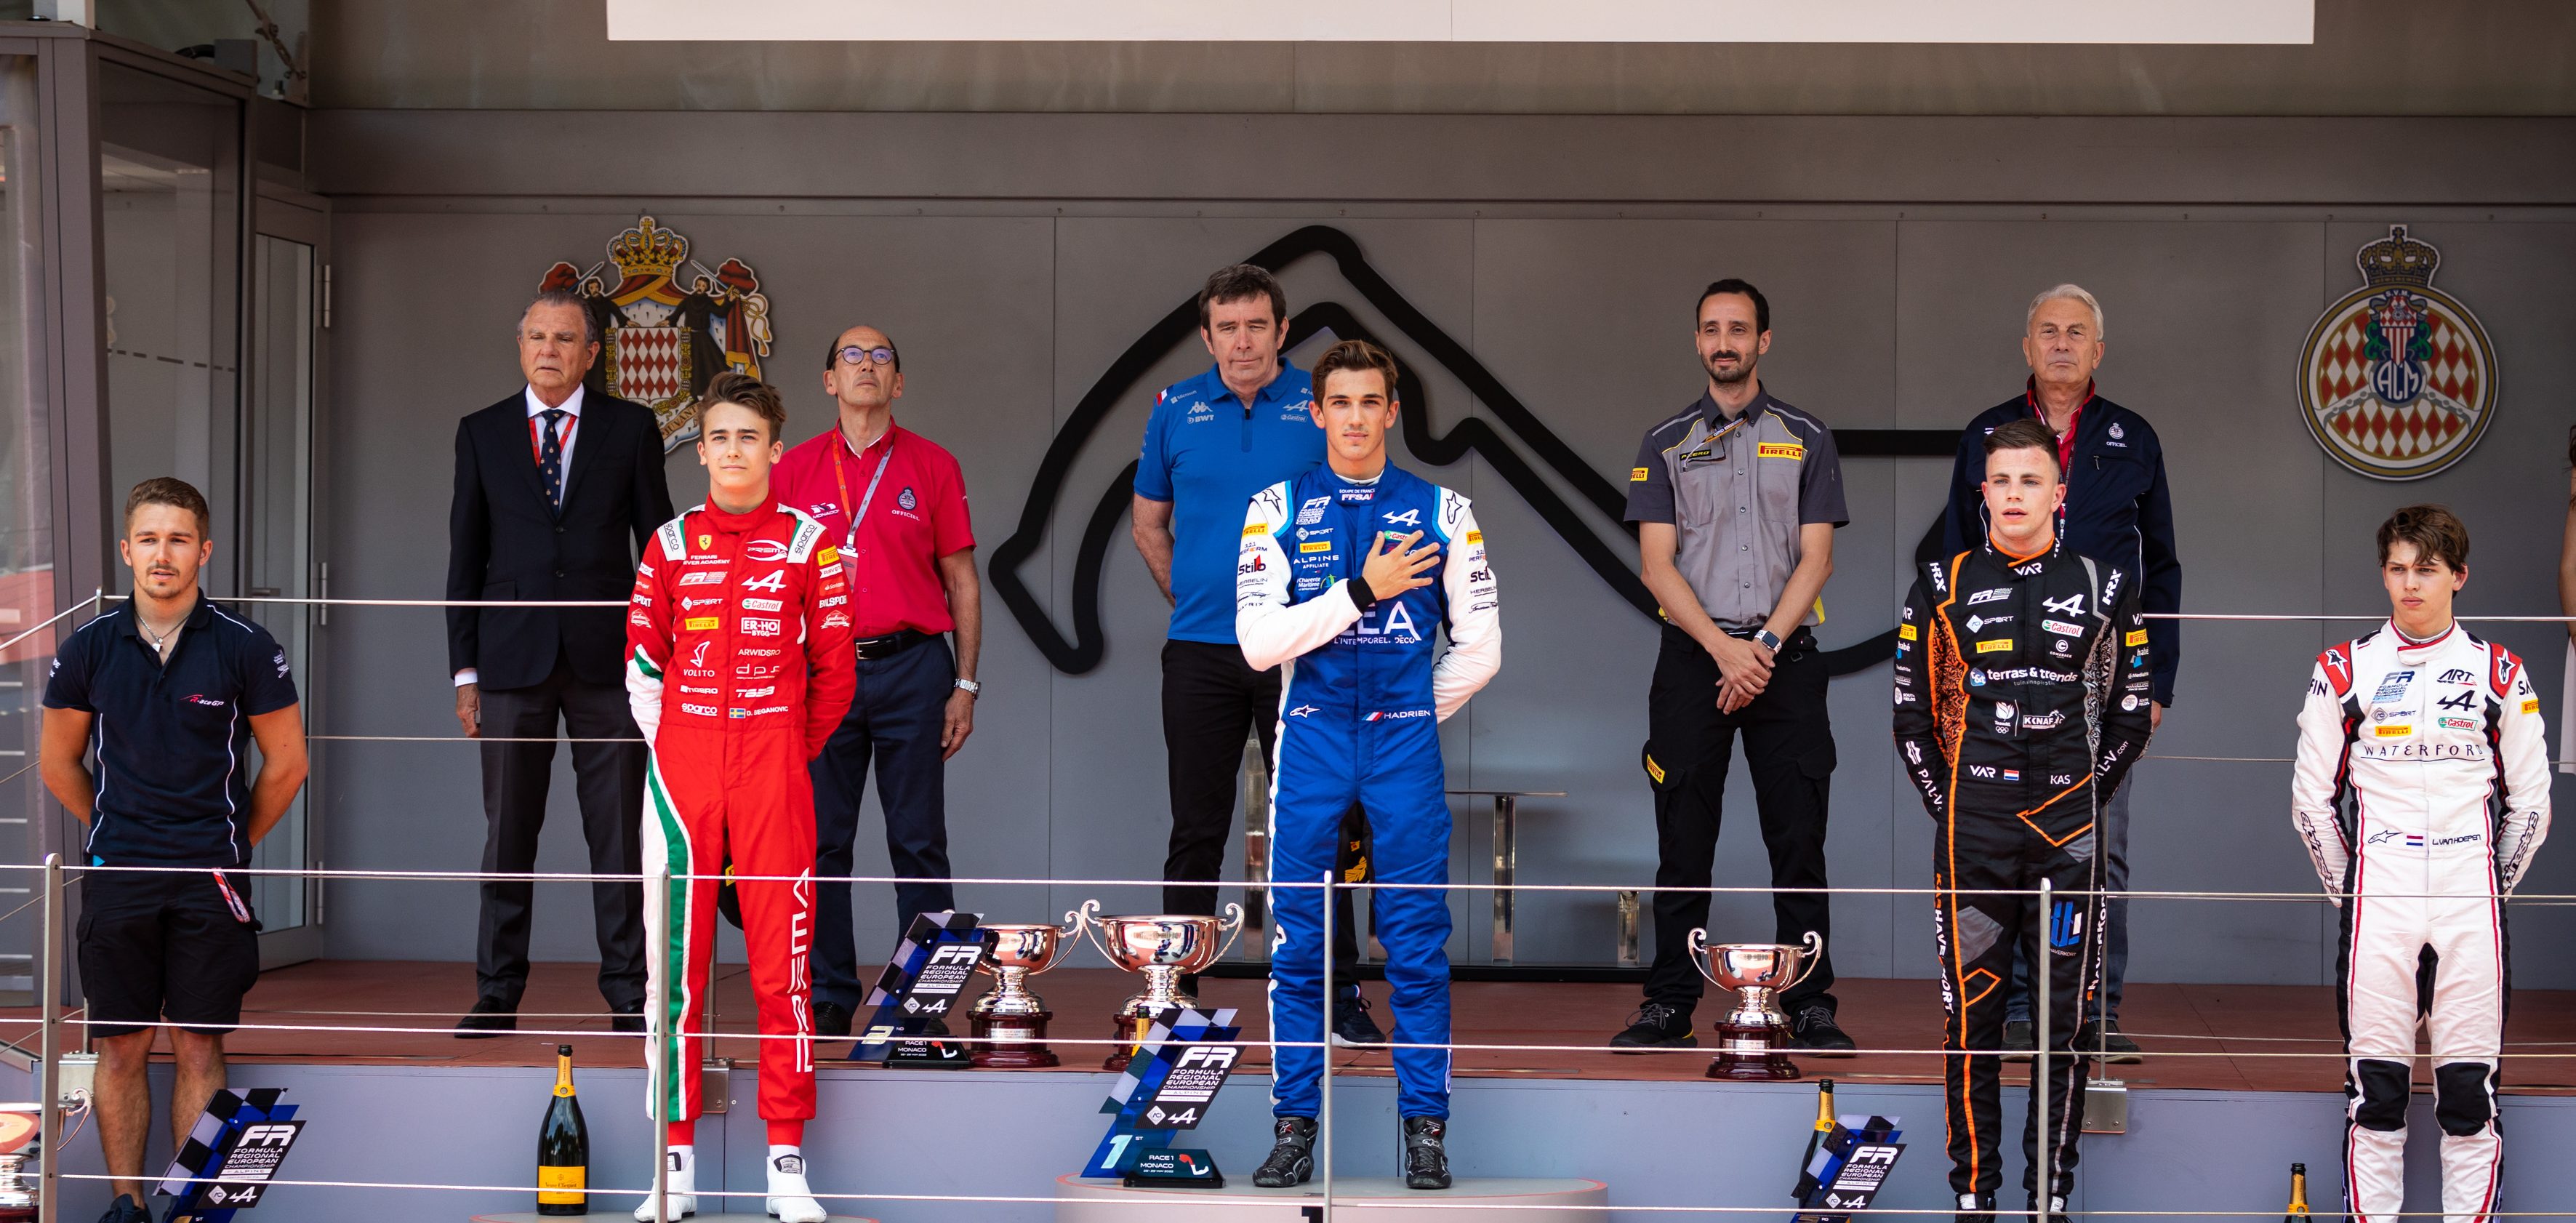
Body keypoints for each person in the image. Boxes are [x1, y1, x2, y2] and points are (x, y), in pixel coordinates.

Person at [1237, 340, 1501, 1192]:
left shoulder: (1447, 509)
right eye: (1339, 402)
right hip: (1309, 734)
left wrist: (1416, 710)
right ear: (1316, 413)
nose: (1354, 417)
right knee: (1298, 943)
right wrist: (1361, 589)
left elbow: (1484, 648)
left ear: (1393, 411)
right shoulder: (1273, 505)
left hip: (1401, 738)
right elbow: (1256, 643)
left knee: (1418, 940)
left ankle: (1426, 1129)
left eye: (1369, 402)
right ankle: (1294, 1127)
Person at [1894, 418, 2154, 1223]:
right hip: (1972, 837)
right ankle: (1975, 1197)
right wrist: (1954, 811)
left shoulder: (2108, 586)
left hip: (2069, 841)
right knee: (1972, 1018)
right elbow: (1912, 721)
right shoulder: (1940, 583)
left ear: (2058, 493)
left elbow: (2132, 714)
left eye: (2030, 481)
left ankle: (2051, 1195)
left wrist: (2085, 800)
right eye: (2001, 481)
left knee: (2063, 1023)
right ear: (1983, 493)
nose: (2014, 495)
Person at [39, 478, 308, 1223]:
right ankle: (126, 1205)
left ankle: (188, 1211)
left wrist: (230, 841)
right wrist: (113, 827)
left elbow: (288, 764)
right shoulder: (88, 647)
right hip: (119, 872)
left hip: (207, 875)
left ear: (204, 550)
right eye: (150, 538)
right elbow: (58, 760)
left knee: (197, 1041)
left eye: (179, 538)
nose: (164, 553)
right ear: (127, 550)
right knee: (121, 1046)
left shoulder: (246, 645)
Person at [625, 373, 855, 1223]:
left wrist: (784, 752)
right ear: (703, 449)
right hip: (682, 767)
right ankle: (672, 1160)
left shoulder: (810, 543)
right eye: (717, 436)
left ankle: (786, 1161)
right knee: (671, 969)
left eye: (746, 436)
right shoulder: (669, 543)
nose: (730, 451)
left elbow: (836, 671)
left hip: (773, 767)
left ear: (775, 449)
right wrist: (679, 745)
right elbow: (642, 663)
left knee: (781, 966)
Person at [1131, 265, 1379, 1043]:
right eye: (1227, 327)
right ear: (1208, 336)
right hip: (1201, 652)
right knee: (1195, 827)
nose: (1243, 340)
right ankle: (1178, 995)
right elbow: (1148, 524)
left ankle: (1336, 999)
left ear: (1281, 330)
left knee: (1316, 824)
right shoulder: (1174, 410)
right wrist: (1207, 602)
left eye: (1257, 326)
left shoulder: (1319, 404)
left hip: (1305, 653)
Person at [1610, 278, 1854, 1056]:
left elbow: (1816, 559)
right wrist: (1725, 650)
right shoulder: (1665, 441)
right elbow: (1656, 564)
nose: (1725, 341)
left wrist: (1765, 651)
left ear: (1764, 341)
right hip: (1694, 661)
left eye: (1739, 329)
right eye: (1712, 328)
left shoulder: (1808, 434)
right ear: (1697, 341)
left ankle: (1811, 1001)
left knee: (1799, 836)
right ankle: (1669, 1003)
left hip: (1786, 657)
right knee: (1682, 835)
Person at [2290, 505, 2549, 1223]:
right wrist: (2353, 886)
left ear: (2458, 576)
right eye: (2398, 568)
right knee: (2376, 1095)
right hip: (2382, 893)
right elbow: (2312, 799)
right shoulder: (2343, 668)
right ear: (2384, 573)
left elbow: (2532, 800)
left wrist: (2490, 881)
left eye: (2426, 569)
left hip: (2470, 893)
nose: (2410, 584)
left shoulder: (2501, 670)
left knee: (2470, 1096)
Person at [1941, 284, 2178, 1063]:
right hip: (1999, 677)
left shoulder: (2134, 437)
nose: (2063, 343)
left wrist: (2157, 686)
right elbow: (1948, 560)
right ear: (2027, 345)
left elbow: (2163, 570)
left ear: (2099, 350)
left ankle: (2094, 1014)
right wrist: (1950, 680)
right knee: (2002, 842)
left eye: (2078, 332)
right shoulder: (1986, 433)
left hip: (2102, 678)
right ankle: (2012, 1012)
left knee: (2099, 847)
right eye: (2049, 330)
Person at [446, 288, 673, 1035]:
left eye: (565, 338)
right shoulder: (480, 431)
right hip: (510, 661)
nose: (549, 349)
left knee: (618, 834)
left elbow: (658, 550)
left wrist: (658, 660)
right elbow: (466, 558)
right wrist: (465, 671)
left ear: (591, 353)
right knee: (508, 831)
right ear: (521, 347)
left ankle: (629, 991)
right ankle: (497, 991)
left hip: (610, 663)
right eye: (537, 336)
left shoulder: (631, 427)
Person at [770, 324, 979, 1038]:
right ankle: (829, 992)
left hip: (915, 667)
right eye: (851, 356)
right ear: (829, 381)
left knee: (919, 838)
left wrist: (967, 684)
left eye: (882, 355)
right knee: (821, 840)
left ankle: (921, 998)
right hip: (822, 671)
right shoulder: (794, 468)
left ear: (899, 382)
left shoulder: (934, 464)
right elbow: (771, 583)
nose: (867, 366)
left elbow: (962, 581)